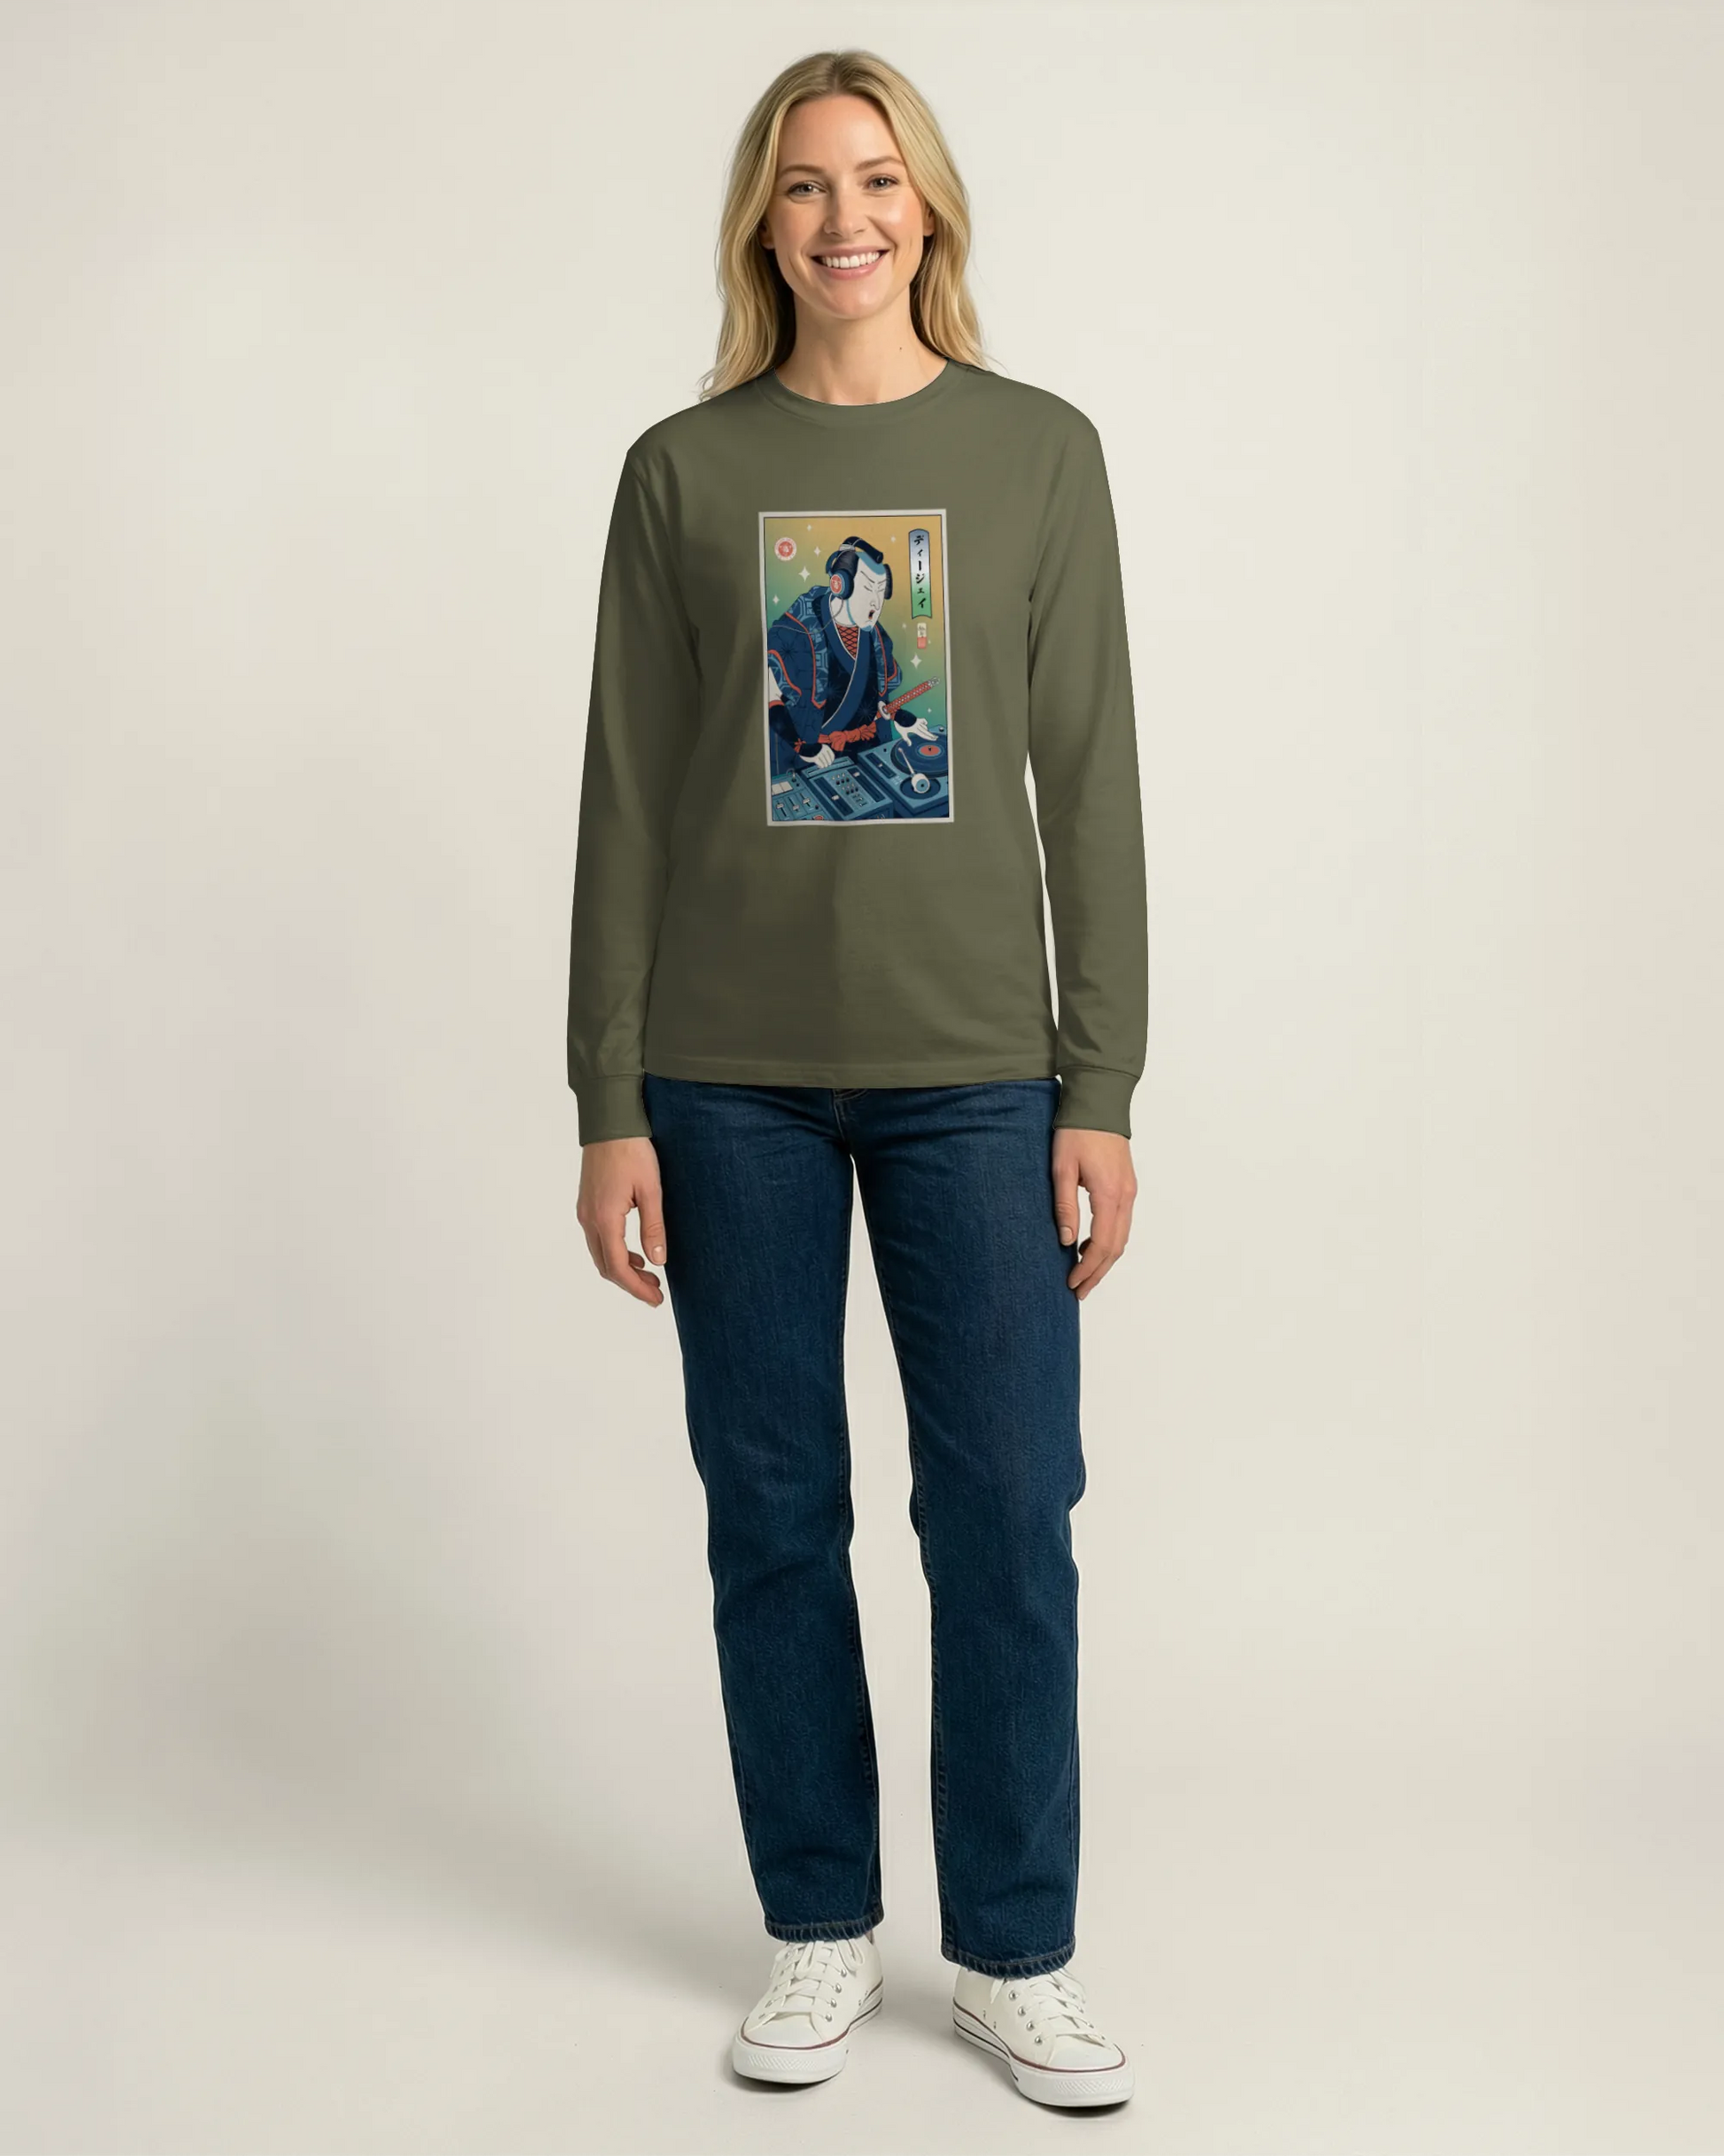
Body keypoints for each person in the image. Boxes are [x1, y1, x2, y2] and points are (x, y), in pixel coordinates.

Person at [567, 48, 1146, 2112]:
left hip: (978, 1072)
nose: (845, 219)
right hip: (724, 1078)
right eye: (806, 185)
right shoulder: (682, 472)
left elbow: (1088, 778)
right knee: (774, 1511)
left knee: (1007, 1515)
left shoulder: (1036, 455)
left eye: (878, 179)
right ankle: (817, 1925)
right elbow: (627, 797)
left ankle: (1012, 1955)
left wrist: (1102, 1082)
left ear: (930, 211)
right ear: (763, 221)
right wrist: (608, 1099)